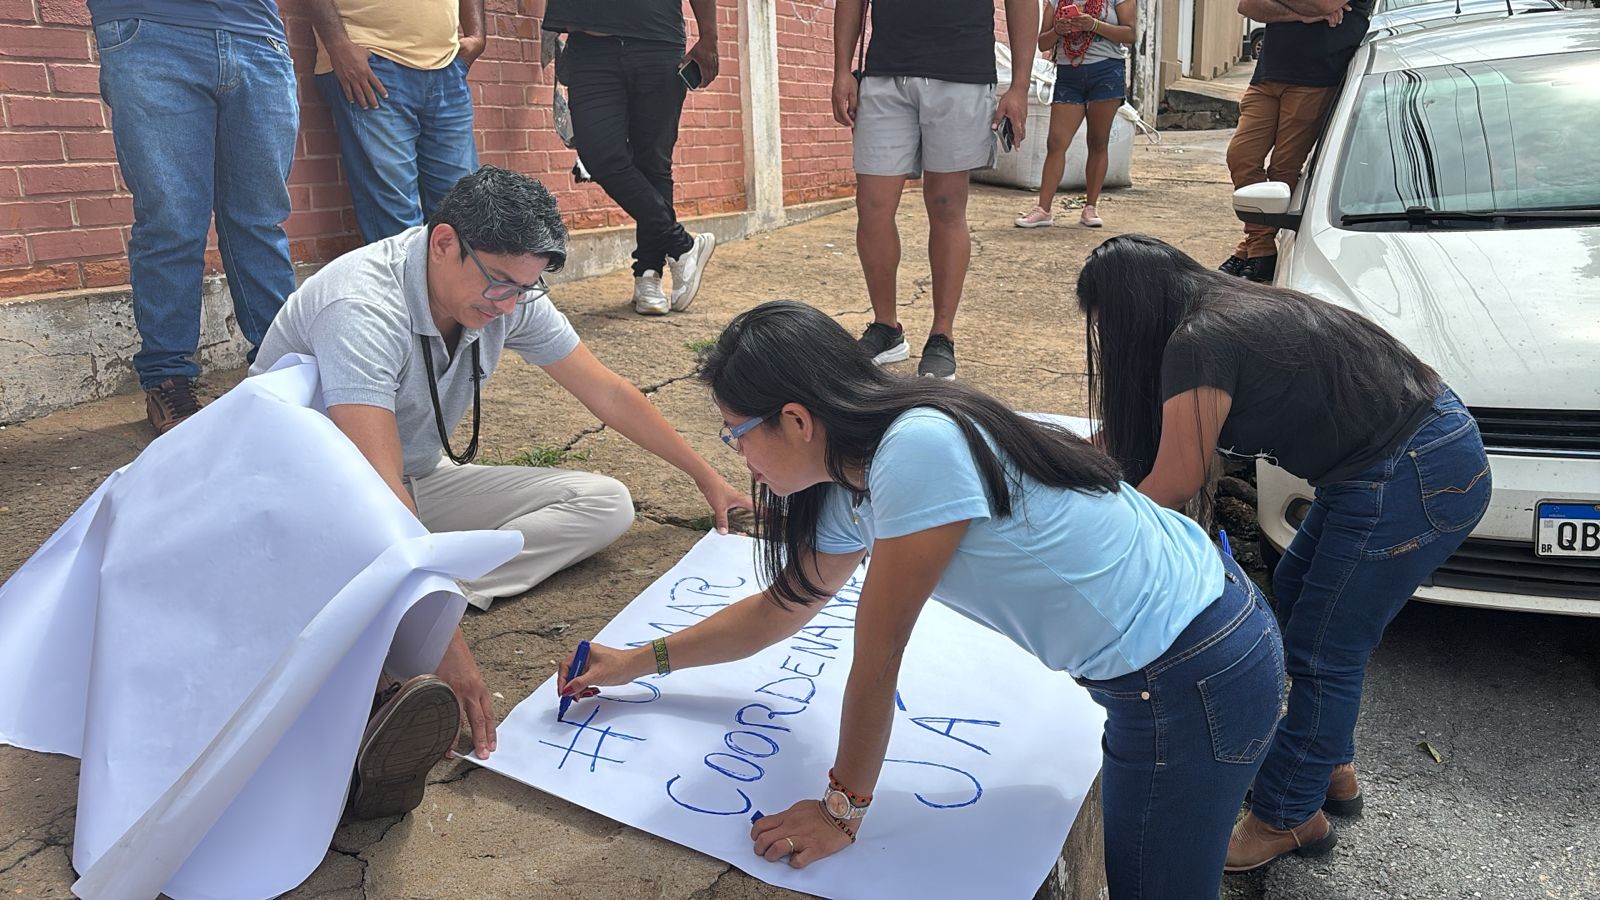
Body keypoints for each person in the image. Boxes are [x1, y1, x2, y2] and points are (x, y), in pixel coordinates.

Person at [555, 300, 1286, 897]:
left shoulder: (918, 450)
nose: (737, 457)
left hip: (1195, 672)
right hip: (1177, 662)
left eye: (736, 437)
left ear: (798, 421)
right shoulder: (848, 481)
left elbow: (877, 659)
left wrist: (843, 811)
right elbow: (782, 609)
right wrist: (637, 662)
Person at [249, 165, 750, 813]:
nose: (509, 305)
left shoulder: (507, 289)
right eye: (499, 285)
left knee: (603, 505)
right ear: (443, 244)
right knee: (373, 587)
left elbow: (607, 392)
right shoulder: (361, 307)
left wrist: (710, 478)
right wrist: (449, 651)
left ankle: (403, 605)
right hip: (309, 506)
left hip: (413, 479)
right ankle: (394, 638)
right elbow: (371, 487)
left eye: (526, 287)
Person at [1077, 235, 1492, 872]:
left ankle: (1288, 816)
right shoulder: (1213, 310)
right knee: (1301, 589)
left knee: (1324, 649)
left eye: (1109, 326)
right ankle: (1331, 770)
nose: (1110, 342)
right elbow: (1149, 438)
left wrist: (1085, 548)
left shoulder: (1199, 339)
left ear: (1133, 309)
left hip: (1410, 472)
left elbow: (1177, 479)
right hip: (1407, 454)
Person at [88, 0, 299, 434]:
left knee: (260, 222)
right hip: (150, 29)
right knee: (172, 223)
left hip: (257, 33)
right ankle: (168, 379)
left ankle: (285, 366)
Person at [834, 0, 1039, 380]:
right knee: (873, 205)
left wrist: (1020, 86)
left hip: (961, 71)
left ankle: (941, 335)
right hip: (885, 72)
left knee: (946, 205)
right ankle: (886, 327)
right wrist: (841, 70)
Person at [539, 0, 721, 317]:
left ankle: (648, 275)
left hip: (657, 41)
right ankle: (683, 246)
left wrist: (710, 38)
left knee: (653, 162)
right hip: (589, 46)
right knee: (599, 154)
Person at [308, 0, 488, 242]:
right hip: (371, 61)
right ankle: (402, 281)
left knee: (465, 209)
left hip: (446, 64)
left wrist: (477, 35)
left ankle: (458, 281)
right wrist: (337, 45)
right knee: (396, 223)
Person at [1220, 0, 1372, 283]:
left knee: (1284, 169)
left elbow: (1325, 4)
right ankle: (1258, 246)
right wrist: (1302, 15)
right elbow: (1247, 6)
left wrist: (1296, 8)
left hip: (1316, 77)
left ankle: (1255, 249)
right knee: (1241, 156)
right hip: (1268, 74)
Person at [1014, 0, 1135, 230]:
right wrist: (1058, 30)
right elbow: (1042, 42)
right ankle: (1043, 209)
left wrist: (1093, 25)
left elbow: (1130, 34)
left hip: (1106, 71)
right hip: (1068, 73)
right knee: (1056, 141)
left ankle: (1090, 207)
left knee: (1098, 141)